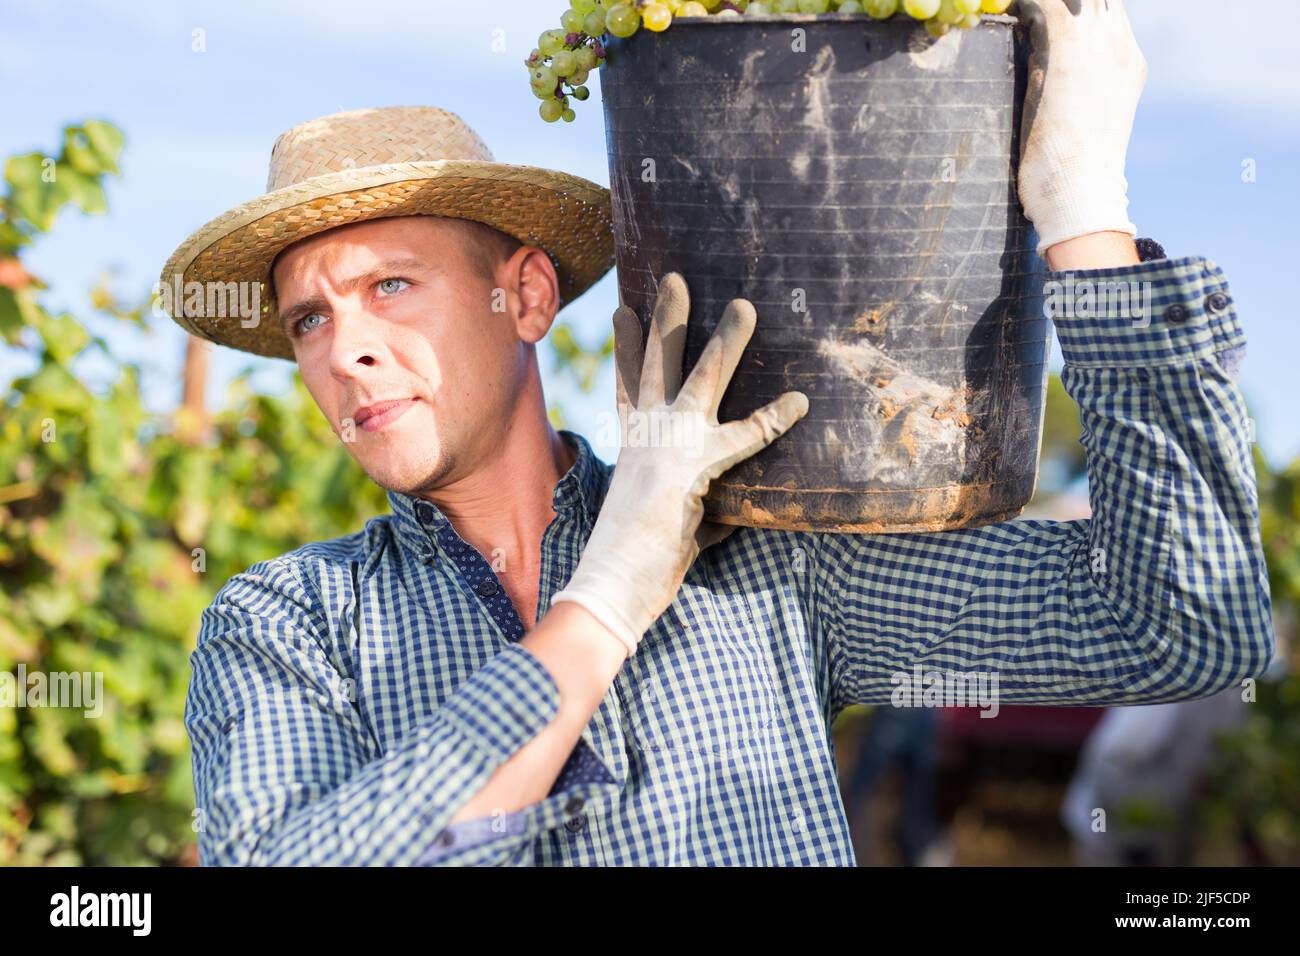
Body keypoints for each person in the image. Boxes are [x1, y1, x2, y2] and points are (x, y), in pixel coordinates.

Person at [168, 0, 1274, 865]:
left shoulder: (768, 557)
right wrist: (603, 600)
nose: (341, 348)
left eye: (392, 285)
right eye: (310, 316)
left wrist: (1083, 208)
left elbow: (1182, 621)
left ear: (527, 294)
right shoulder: (286, 625)